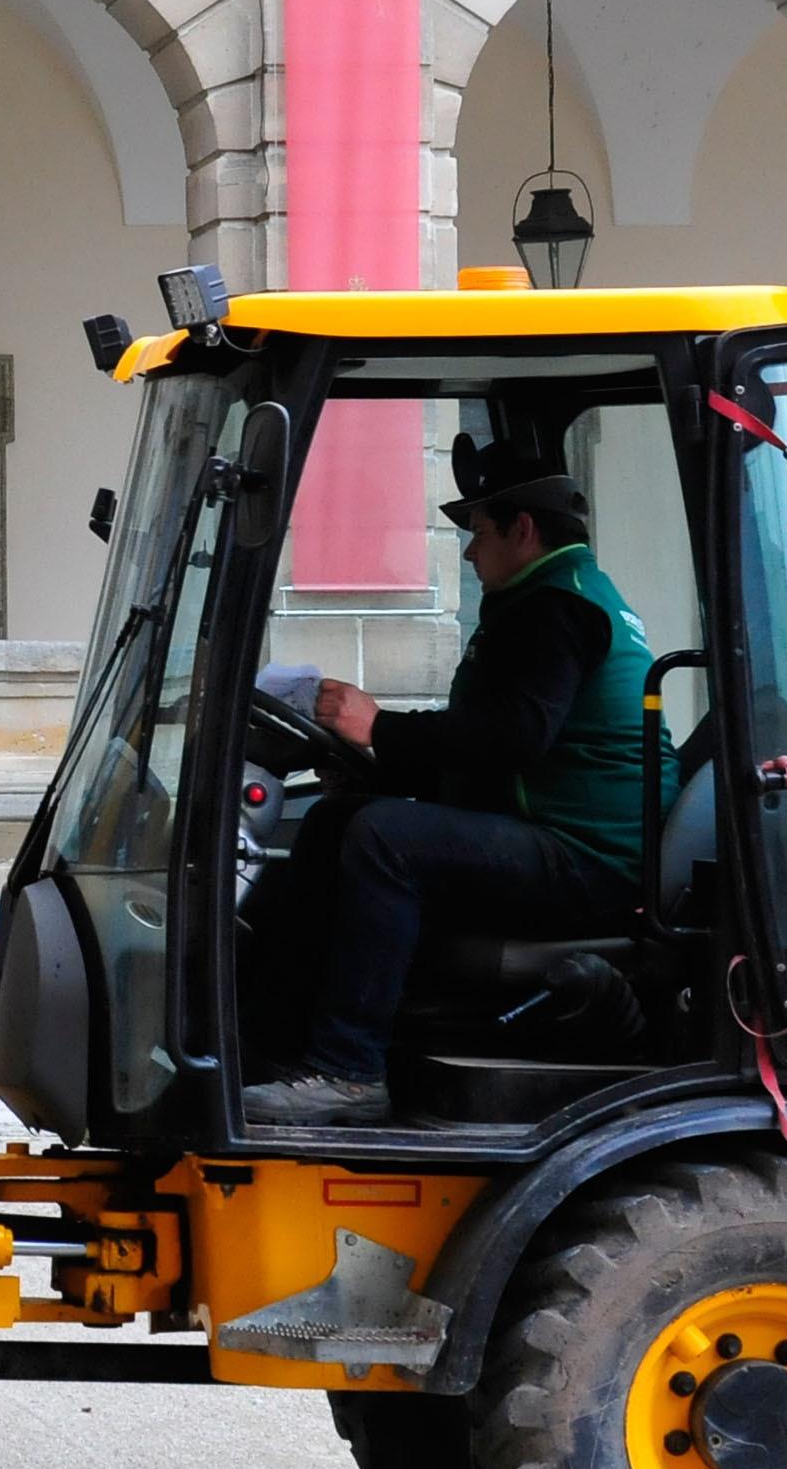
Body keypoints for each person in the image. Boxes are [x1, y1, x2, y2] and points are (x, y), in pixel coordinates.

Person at [236, 435, 664, 1127]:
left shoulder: (558, 608)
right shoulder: (552, 597)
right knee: (337, 821)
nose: (468, 553)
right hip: (554, 832)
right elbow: (493, 744)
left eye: (478, 533)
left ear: (523, 530)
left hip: (589, 856)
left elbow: (512, 740)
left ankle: (348, 1073)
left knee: (384, 838)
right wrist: (373, 761)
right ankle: (272, 1051)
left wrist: (380, 727)